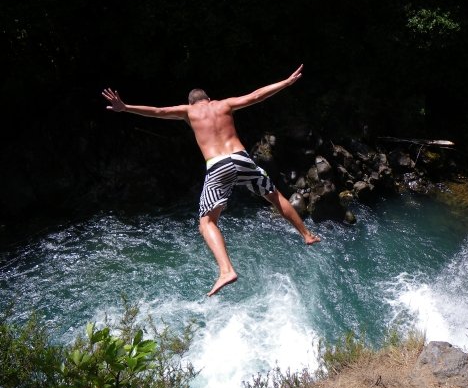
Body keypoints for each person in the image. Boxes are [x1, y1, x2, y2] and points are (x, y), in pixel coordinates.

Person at [102, 64, 320, 297]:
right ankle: (307, 235)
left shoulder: (188, 111)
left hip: (217, 165)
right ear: (209, 99)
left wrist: (125, 107)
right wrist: (286, 82)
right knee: (274, 196)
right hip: (241, 158)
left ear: (192, 103)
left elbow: (157, 111)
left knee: (206, 223)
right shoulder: (224, 104)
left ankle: (226, 270)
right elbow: (257, 95)